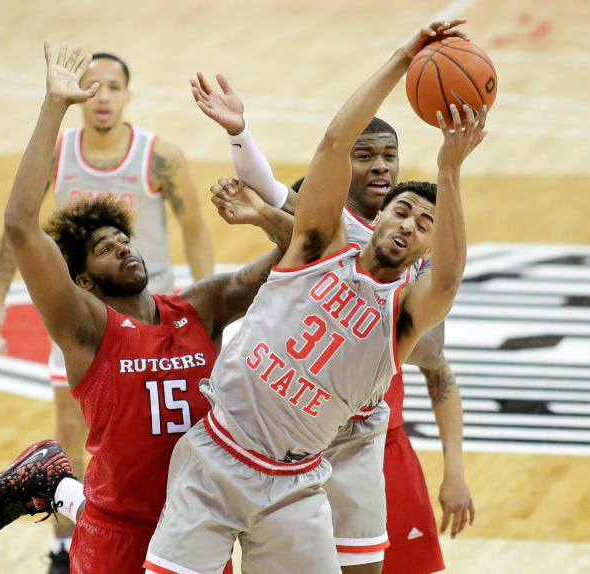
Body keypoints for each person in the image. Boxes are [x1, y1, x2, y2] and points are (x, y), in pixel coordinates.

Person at [145, 19, 486, 574]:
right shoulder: (319, 245)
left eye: (424, 223)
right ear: (376, 218)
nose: (407, 224)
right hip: (218, 450)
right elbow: (332, 143)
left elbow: (446, 282)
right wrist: (404, 55)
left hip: (298, 477)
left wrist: (449, 168)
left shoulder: (403, 315)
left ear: (428, 247)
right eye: (401, 209)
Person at [0, 41, 283, 574]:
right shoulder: (87, 328)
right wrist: (53, 106)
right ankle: (59, 493)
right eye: (103, 247)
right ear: (84, 278)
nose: (122, 246)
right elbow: (21, 226)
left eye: (123, 238)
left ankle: (57, 486)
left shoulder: (198, 308)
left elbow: (302, 254)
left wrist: (249, 166)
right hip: (117, 535)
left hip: (197, 526)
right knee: (75, 434)